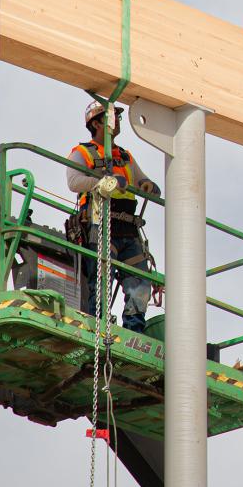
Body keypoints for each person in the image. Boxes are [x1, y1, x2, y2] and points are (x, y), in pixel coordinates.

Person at [67, 101, 160, 333]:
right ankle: (98, 326)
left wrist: (147, 185)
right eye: (112, 117)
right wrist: (105, 182)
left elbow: (141, 180)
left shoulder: (125, 156)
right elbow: (74, 182)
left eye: (117, 116)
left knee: (140, 283)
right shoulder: (82, 153)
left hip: (128, 228)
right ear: (96, 123)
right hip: (101, 224)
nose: (117, 121)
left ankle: (134, 330)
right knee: (101, 281)